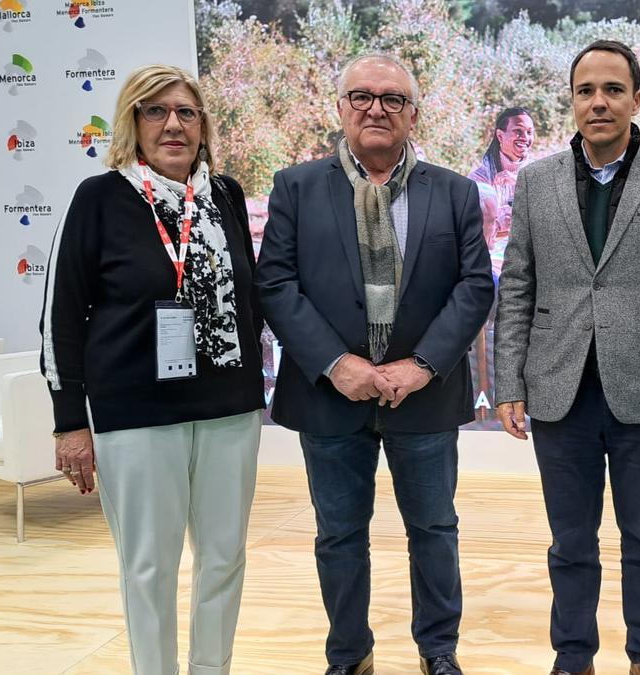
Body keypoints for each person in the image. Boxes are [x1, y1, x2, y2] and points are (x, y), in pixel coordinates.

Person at [255, 53, 493, 675]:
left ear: (413, 114)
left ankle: (438, 652)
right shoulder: (296, 187)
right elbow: (276, 284)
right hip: (331, 396)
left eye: (392, 99)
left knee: (435, 531)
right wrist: (337, 364)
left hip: (425, 394)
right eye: (361, 96)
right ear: (340, 109)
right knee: (339, 535)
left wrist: (423, 364)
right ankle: (348, 655)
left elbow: (474, 287)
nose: (375, 109)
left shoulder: (455, 191)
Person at [495, 40, 640, 675]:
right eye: (586, 90)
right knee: (571, 543)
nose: (599, 102)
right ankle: (573, 658)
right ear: (571, 100)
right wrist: (509, 379)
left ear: (637, 100)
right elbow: (517, 286)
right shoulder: (537, 181)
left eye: (613, 90)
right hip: (558, 388)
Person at [39, 64, 265, 675]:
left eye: (186, 113)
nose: (173, 124)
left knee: (224, 558)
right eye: (155, 111)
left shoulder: (225, 196)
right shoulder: (100, 197)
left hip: (229, 410)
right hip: (135, 414)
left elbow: (250, 298)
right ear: (132, 123)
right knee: (149, 566)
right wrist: (69, 422)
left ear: (203, 127)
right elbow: (62, 318)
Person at [469, 106, 535, 278]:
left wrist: (519, 183)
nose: (525, 138)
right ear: (500, 135)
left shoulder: (539, 173)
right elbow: (472, 233)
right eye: (518, 131)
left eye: (529, 132)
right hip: (493, 261)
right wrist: (499, 224)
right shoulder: (479, 180)